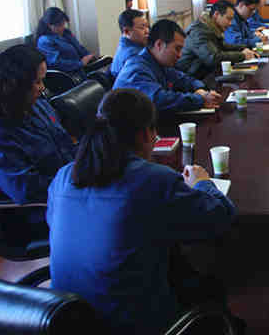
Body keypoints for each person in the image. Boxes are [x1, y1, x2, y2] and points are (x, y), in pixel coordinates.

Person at [47, 89, 238, 335]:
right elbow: (221, 217)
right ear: (147, 133)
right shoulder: (154, 180)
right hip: (130, 325)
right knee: (207, 284)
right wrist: (202, 183)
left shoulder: (63, 176)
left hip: (67, 321)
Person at [0, 44, 76, 242]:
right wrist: (80, 181)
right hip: (44, 210)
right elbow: (27, 190)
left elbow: (65, 146)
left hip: (70, 189)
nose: (42, 88)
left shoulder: (36, 106)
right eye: (37, 82)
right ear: (14, 85)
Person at [113, 19, 221, 113]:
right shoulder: (136, 69)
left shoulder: (159, 63)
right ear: (159, 45)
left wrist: (199, 89)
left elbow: (183, 79)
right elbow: (159, 100)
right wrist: (200, 100)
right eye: (177, 49)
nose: (180, 55)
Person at [177, 0, 259, 79]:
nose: (230, 23)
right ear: (216, 14)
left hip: (205, 74)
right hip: (192, 78)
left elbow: (223, 46)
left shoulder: (210, 27)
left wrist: (244, 48)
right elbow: (213, 58)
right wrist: (243, 55)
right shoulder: (199, 32)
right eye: (228, 19)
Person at [35, 7, 95, 79]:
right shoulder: (45, 40)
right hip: (67, 76)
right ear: (49, 25)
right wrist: (80, 63)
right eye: (60, 25)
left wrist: (89, 56)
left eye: (63, 23)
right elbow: (55, 63)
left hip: (80, 70)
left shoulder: (66, 33)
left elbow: (79, 47)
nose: (63, 27)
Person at [111, 9, 149, 78]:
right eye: (142, 27)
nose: (147, 31)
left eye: (147, 26)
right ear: (126, 31)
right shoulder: (134, 55)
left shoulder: (126, 46)